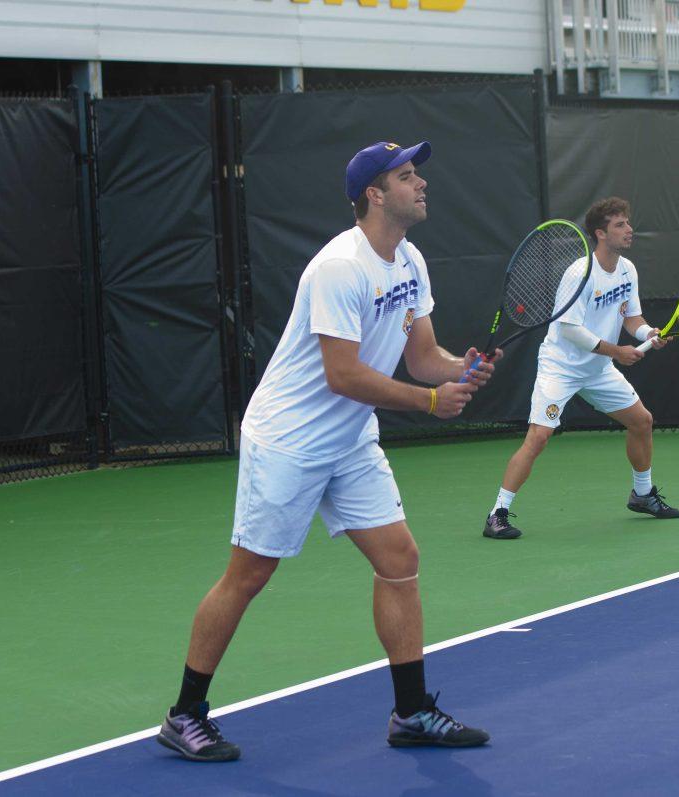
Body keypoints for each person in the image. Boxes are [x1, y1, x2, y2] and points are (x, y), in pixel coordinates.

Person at [157, 140, 498, 761]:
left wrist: (458, 368)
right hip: (289, 438)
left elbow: (422, 355)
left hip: (349, 436)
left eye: (417, 173)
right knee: (250, 575)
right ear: (375, 193)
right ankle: (185, 715)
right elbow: (343, 374)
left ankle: (412, 711)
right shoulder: (339, 267)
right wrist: (428, 403)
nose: (420, 184)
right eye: (407, 176)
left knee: (399, 557)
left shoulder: (410, 260)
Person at [482, 197, 679, 541]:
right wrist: (616, 350)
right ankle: (497, 513)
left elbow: (631, 317)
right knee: (539, 437)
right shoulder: (580, 273)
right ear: (601, 233)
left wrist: (649, 334)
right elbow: (569, 329)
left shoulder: (627, 269)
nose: (629, 229)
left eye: (628, 223)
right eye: (620, 225)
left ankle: (643, 495)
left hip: (598, 368)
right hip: (561, 367)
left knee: (641, 421)